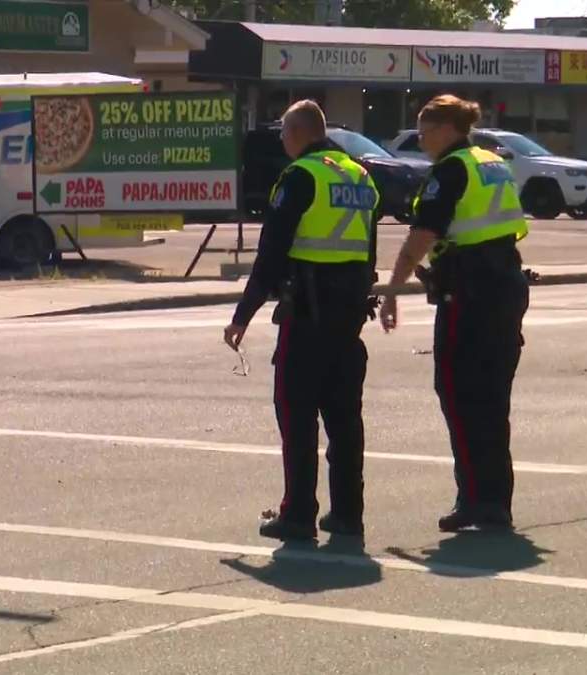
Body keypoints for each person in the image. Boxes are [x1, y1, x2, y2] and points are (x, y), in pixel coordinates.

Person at [224, 100, 380, 541]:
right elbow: (368, 252)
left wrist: (243, 316)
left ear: (298, 134)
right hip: (348, 318)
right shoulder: (359, 175)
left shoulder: (300, 177)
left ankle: (298, 514)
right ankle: (348, 513)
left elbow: (271, 254)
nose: (281, 141)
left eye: (283, 134)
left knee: (297, 418)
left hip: (306, 316)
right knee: (345, 420)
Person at [379, 94, 529, 532]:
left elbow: (421, 235)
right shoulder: (491, 161)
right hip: (505, 284)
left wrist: (392, 290)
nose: (421, 139)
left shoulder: (451, 169)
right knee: (492, 399)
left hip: (470, 292)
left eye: (425, 131)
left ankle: (474, 499)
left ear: (447, 129)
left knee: (458, 393)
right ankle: (495, 501)